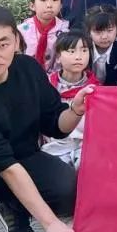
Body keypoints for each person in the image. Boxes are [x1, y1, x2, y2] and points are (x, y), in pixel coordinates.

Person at [0, 4, 85, 232]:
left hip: (23, 158)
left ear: (16, 40)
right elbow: (4, 163)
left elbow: (55, 123)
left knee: (66, 187)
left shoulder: (28, 69)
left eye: (3, 44)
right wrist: (51, 223)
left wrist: (76, 110)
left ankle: (13, 208)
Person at [42, 31, 97, 167]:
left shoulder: (95, 90)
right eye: (71, 51)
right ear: (58, 57)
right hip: (52, 148)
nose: (79, 57)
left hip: (85, 148)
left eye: (84, 51)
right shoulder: (46, 85)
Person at [18, 0, 69, 72]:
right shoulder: (22, 30)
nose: (49, 5)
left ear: (61, 6)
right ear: (32, 6)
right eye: (43, 0)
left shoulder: (65, 30)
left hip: (56, 76)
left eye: (54, 0)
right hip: (27, 74)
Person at [85, 5, 117, 86]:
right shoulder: (84, 47)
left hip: (115, 91)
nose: (104, 37)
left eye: (109, 30)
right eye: (98, 32)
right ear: (89, 32)